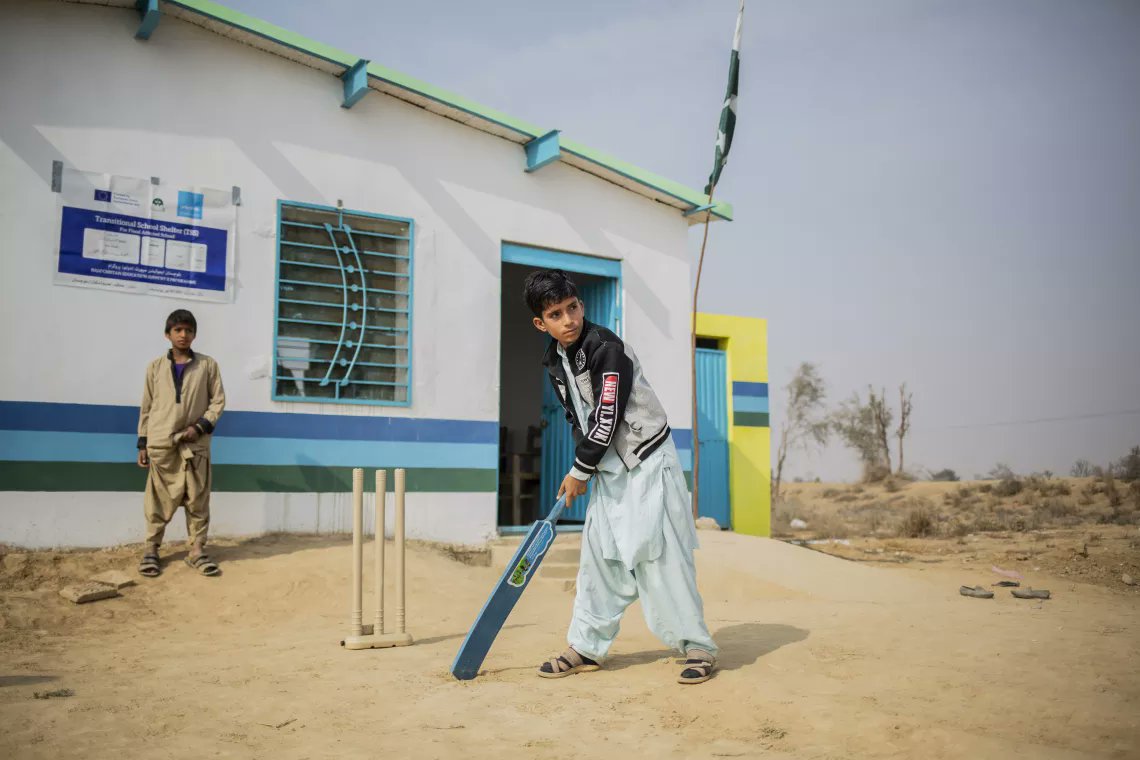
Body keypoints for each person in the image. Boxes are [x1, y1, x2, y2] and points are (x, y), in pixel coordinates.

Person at [523, 269, 718, 685]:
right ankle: (586, 647)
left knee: (661, 557)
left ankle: (697, 645)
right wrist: (586, 466)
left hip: (648, 461)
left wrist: (579, 470)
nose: (569, 319)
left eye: (572, 307)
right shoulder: (554, 362)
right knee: (600, 559)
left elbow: (608, 415)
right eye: (556, 314)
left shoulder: (605, 348)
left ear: (582, 305)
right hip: (611, 471)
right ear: (542, 324)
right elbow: (580, 419)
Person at [136, 309, 226, 577]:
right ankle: (151, 550)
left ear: (194, 334)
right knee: (158, 500)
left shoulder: (208, 365)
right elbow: (147, 406)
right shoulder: (154, 367)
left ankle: (197, 550)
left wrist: (199, 427)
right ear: (168, 334)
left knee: (198, 499)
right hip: (162, 444)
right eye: (178, 330)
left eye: (188, 330)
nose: (183, 335)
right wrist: (143, 443)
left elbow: (218, 401)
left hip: (195, 445)